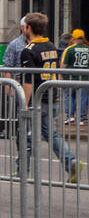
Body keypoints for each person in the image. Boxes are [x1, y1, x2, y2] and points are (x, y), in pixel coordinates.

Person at [20, 12, 81, 183]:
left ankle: (23, 171)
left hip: (37, 98)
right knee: (51, 134)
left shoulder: (28, 51)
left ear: (29, 28)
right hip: (51, 96)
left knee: (26, 134)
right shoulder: (51, 45)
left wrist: (24, 104)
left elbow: (28, 81)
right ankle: (71, 160)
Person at [61, 28, 89, 125]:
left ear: (74, 37)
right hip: (84, 79)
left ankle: (70, 116)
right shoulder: (88, 48)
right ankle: (81, 118)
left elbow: (63, 65)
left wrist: (60, 77)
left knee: (70, 96)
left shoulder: (69, 49)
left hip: (71, 78)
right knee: (83, 98)